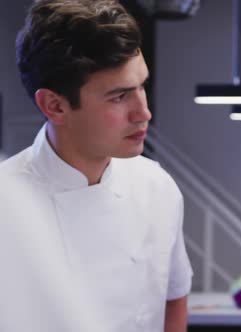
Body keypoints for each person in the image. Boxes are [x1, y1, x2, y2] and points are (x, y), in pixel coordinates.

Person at [0, 0, 193, 331]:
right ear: (55, 105)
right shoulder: (7, 202)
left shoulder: (157, 188)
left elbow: (173, 299)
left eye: (142, 86)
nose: (143, 113)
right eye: (119, 97)